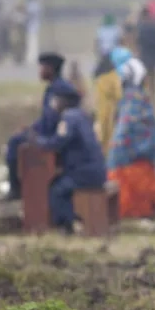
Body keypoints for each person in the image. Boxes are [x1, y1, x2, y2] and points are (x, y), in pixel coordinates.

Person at [106, 58, 155, 221]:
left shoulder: (126, 99)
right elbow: (145, 130)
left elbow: (145, 126)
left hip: (122, 154)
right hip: (134, 155)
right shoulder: (138, 98)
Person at [3, 53, 78, 201]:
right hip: (49, 132)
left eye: (43, 67)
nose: (40, 71)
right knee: (18, 138)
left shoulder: (60, 90)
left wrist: (34, 133)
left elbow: (51, 121)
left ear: (50, 69)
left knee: (14, 143)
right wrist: (30, 128)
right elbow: (46, 118)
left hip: (54, 136)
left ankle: (15, 188)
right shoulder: (55, 87)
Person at [36, 83, 107, 233]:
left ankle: (66, 226)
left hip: (85, 173)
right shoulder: (82, 115)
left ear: (64, 101)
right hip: (96, 170)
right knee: (60, 183)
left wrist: (38, 142)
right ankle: (72, 219)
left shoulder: (69, 118)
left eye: (57, 100)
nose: (54, 104)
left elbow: (58, 141)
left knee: (57, 189)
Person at [91, 52, 124, 155]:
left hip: (100, 111)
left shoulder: (98, 77)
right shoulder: (114, 76)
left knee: (100, 137)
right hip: (111, 111)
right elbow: (119, 95)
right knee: (111, 138)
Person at [135, 8, 155, 94]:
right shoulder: (154, 26)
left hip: (144, 54)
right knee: (153, 75)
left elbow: (138, 42)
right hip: (153, 54)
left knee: (143, 75)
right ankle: (153, 93)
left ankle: (146, 93)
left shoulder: (140, 27)